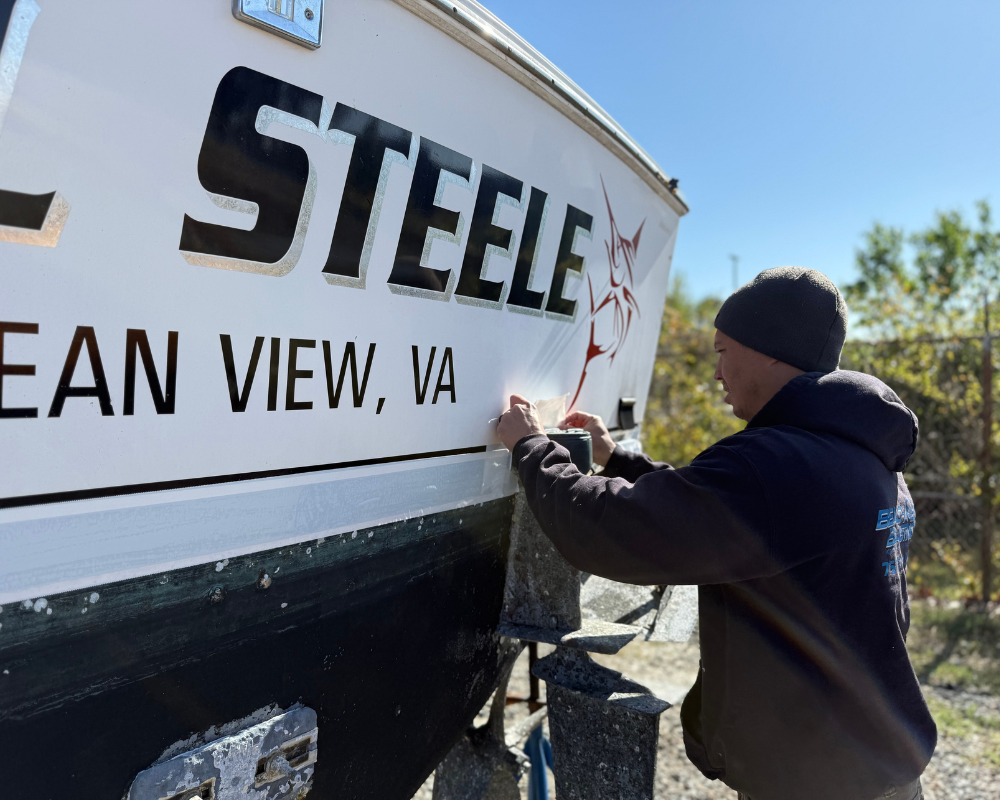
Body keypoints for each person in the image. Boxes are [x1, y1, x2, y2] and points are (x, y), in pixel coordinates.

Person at [497, 267, 935, 800]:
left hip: (818, 780)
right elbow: (721, 514)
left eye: (723, 350)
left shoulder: (779, 465)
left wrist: (533, 449)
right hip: (872, 763)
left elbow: (614, 532)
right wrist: (619, 461)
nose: (717, 372)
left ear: (770, 351)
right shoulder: (861, 457)